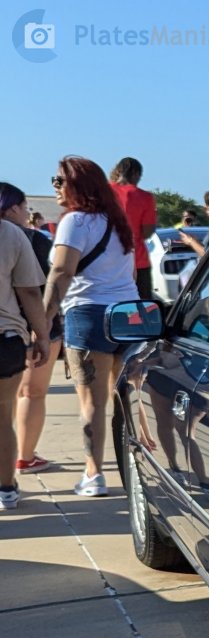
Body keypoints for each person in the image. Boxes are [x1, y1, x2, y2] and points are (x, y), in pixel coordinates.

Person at [41, 156, 139, 497]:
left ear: (77, 186)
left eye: (58, 181)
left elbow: (61, 273)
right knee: (129, 402)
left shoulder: (75, 222)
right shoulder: (117, 221)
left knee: (92, 404)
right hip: (128, 316)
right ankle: (139, 473)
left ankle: (94, 476)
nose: (54, 187)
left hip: (89, 315)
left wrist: (43, 320)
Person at [0, 183, 63, 473]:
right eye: (25, 207)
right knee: (29, 396)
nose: (27, 213)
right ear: (12, 208)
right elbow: (34, 290)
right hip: (18, 331)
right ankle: (20, 464)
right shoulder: (29, 239)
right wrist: (43, 331)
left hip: (14, 332)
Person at [0, 212, 48, 509]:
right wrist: (41, 335)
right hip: (5, 337)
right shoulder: (11, 233)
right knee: (3, 417)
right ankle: (5, 490)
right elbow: (29, 291)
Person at [109, 157, 157, 300]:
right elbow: (147, 232)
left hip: (107, 261)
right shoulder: (145, 197)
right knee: (142, 308)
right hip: (137, 260)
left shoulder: (103, 192)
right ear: (136, 174)